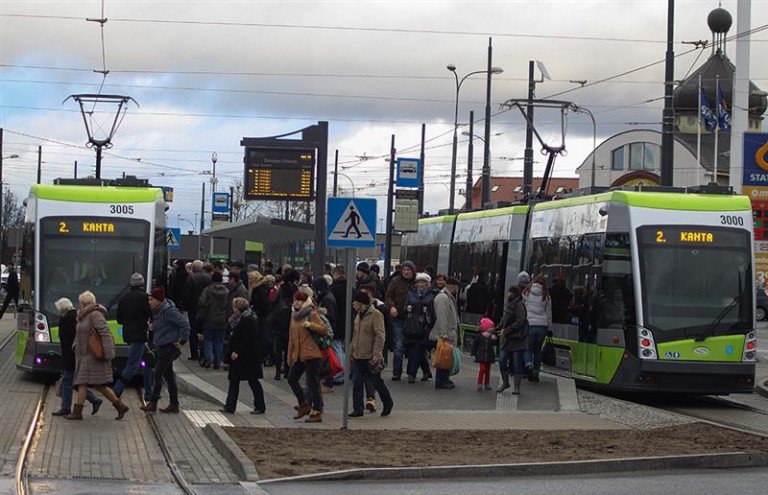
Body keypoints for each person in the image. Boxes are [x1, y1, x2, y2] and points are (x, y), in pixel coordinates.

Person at [65, 291, 129, 420]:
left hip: (92, 356)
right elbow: (80, 334)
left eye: (80, 302)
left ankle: (77, 412)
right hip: (83, 355)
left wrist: (108, 354)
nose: (79, 305)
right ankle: (120, 406)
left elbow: (105, 333)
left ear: (84, 303)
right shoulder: (83, 315)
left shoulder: (95, 314)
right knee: (98, 385)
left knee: (82, 383)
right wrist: (75, 346)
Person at [50, 298, 103, 417]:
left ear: (63, 309)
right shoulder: (72, 318)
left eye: (59, 310)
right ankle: (94, 399)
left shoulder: (69, 320)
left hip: (71, 356)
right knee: (73, 382)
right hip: (71, 355)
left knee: (68, 381)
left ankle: (66, 408)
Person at [141, 286, 189, 413]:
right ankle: (174, 404)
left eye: (152, 299)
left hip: (168, 347)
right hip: (161, 346)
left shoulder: (169, 311)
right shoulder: (157, 311)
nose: (149, 302)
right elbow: (162, 325)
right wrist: (153, 327)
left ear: (158, 300)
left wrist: (182, 341)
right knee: (168, 375)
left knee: (157, 374)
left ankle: (153, 403)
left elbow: (184, 324)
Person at [348, 291, 394, 418]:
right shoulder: (358, 316)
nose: (353, 305)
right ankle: (358, 408)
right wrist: (351, 351)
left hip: (370, 356)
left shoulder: (376, 315)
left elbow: (380, 335)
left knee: (376, 382)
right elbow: (355, 335)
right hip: (358, 355)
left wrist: (377, 353)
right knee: (357, 383)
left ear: (361, 303)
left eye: (355, 303)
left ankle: (388, 402)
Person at [286, 291, 327, 423]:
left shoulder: (311, 313)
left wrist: (311, 325)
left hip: (312, 353)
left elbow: (324, 329)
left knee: (313, 382)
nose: (296, 302)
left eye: (300, 300)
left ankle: (317, 410)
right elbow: (291, 338)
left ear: (305, 302)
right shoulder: (294, 316)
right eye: (295, 300)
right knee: (291, 379)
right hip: (299, 354)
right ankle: (304, 405)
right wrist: (290, 356)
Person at [220, 297, 266, 414]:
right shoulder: (241, 319)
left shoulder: (247, 320)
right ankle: (230, 406)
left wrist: (237, 351)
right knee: (236, 381)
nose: (233, 309)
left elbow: (247, 338)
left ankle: (259, 406)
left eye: (234, 307)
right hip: (243, 357)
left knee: (251, 381)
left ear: (238, 308)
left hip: (247, 357)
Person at [114, 273, 153, 401]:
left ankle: (149, 393)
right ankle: (117, 390)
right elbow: (150, 313)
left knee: (148, 361)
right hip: (140, 335)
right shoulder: (145, 298)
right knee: (133, 365)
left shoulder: (123, 298)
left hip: (128, 335)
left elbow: (119, 320)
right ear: (142, 284)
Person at [384, 260, 416, 380]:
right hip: (398, 317)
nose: (406, 272)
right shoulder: (396, 281)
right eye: (404, 270)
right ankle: (397, 372)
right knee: (399, 345)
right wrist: (392, 306)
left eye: (408, 270)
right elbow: (388, 296)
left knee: (413, 346)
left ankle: (411, 372)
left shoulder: (417, 282)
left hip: (413, 319)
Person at [266, 268, 298, 380]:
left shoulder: (280, 289)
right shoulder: (295, 289)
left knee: (278, 349)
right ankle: (287, 371)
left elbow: (273, 303)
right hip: (291, 321)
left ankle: (278, 371)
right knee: (288, 348)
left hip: (279, 322)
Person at [429, 277, 460, 389]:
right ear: (454, 286)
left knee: (446, 356)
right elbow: (441, 316)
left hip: (448, 332)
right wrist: (444, 334)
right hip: (445, 333)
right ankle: (440, 380)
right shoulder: (443, 298)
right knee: (443, 357)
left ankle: (444, 378)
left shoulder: (448, 297)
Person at [496, 286, 528, 394]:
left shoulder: (519, 305)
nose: (508, 294)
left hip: (517, 339)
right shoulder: (508, 304)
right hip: (507, 339)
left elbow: (520, 321)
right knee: (502, 361)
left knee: (517, 363)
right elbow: (504, 320)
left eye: (509, 292)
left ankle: (517, 387)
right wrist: (496, 329)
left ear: (514, 293)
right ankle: (505, 382)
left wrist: (506, 330)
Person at [404, 272, 435, 383]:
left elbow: (434, 313)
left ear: (427, 284)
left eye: (423, 282)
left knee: (417, 349)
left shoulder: (432, 296)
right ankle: (426, 371)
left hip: (425, 327)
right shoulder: (411, 294)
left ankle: (412, 373)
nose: (421, 284)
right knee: (417, 351)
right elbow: (404, 307)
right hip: (412, 326)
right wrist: (407, 308)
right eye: (419, 282)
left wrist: (428, 312)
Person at [522, 274, 553, 382]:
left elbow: (522, 308)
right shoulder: (547, 296)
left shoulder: (526, 293)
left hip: (529, 323)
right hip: (542, 326)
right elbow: (549, 315)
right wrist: (550, 329)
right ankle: (536, 373)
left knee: (528, 348)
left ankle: (528, 364)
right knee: (538, 350)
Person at [197, 271, 229, 369]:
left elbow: (201, 302)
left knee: (208, 339)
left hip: (209, 318)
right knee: (219, 341)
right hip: (222, 319)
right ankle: (217, 361)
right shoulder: (227, 291)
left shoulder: (207, 290)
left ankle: (209, 357)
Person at [185, 260, 211, 361]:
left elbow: (187, 293)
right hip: (205, 308)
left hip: (193, 307)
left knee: (193, 331)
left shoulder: (191, 277)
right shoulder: (208, 278)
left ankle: (194, 354)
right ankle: (204, 353)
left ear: (193, 268)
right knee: (204, 331)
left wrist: (186, 306)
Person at [249, 270, 273, 366]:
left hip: (262, 315)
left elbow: (264, 303)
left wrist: (258, 310)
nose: (249, 280)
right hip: (262, 314)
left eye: (251, 278)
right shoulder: (260, 287)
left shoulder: (260, 289)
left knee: (263, 336)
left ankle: (265, 355)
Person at [472, 317, 497, 391]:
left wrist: (494, 339)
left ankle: (487, 383)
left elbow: (494, 344)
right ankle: (480, 383)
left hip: (489, 356)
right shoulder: (479, 337)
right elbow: (474, 346)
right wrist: (473, 354)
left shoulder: (491, 337)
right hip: (481, 356)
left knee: (487, 371)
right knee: (483, 369)